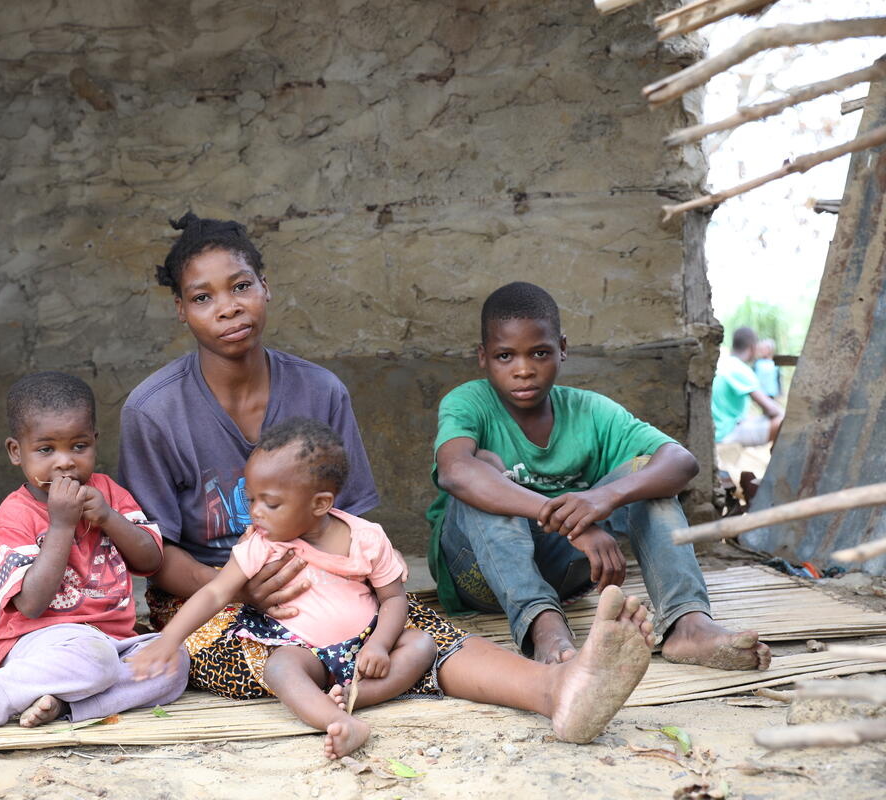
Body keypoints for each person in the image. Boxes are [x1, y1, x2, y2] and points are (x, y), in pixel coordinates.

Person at [120, 213, 658, 745]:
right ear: (181, 310)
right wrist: (247, 588)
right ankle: (346, 696)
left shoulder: (321, 390)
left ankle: (557, 688)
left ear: (267, 286)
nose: (229, 307)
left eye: (241, 286)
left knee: (418, 631)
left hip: (329, 580)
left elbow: (348, 522)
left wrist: (359, 597)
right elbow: (152, 551)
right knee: (264, 658)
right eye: (203, 297)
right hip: (217, 597)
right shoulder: (154, 411)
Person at [429, 282, 772, 671]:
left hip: (565, 574)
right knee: (483, 471)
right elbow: (455, 472)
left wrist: (601, 500)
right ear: (483, 357)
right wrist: (573, 522)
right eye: (505, 356)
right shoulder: (470, 401)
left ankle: (687, 623)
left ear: (562, 348)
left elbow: (681, 461)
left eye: (539, 353)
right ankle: (544, 625)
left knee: (649, 476)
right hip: (478, 574)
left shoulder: (589, 410)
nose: (523, 369)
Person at [130, 418, 437, 758]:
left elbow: (393, 598)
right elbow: (217, 593)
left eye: (270, 504)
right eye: (251, 500)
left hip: (365, 645)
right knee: (279, 668)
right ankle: (339, 720)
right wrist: (168, 640)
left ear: (320, 504)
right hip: (304, 651)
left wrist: (379, 645)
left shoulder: (367, 537)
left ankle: (358, 695)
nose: (255, 514)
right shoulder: (262, 544)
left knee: (421, 644)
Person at [0, 372, 187, 739]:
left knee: (173, 661)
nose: (65, 463)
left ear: (95, 442)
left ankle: (67, 705)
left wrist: (109, 519)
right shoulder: (14, 515)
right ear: (17, 452)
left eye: (79, 446)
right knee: (94, 658)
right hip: (42, 643)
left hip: (115, 641)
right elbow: (31, 605)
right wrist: (62, 525)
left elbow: (151, 562)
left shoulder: (109, 494)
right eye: (46, 450)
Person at [712, 326, 785, 446]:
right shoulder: (740, 369)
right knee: (784, 421)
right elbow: (771, 410)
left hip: (718, 429)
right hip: (726, 434)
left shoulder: (723, 363)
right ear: (752, 347)